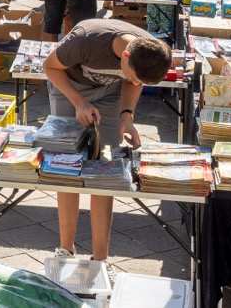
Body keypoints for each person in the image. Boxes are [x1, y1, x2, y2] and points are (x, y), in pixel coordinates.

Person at [42, 18, 172, 261]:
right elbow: (49, 67)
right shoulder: (86, 40)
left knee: (105, 171)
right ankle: (65, 248)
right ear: (124, 55)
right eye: (132, 75)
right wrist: (79, 103)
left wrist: (127, 115)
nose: (135, 82)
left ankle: (100, 257)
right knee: (66, 166)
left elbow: (134, 82)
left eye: (139, 80)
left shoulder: (148, 50)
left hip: (109, 98)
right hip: (69, 88)